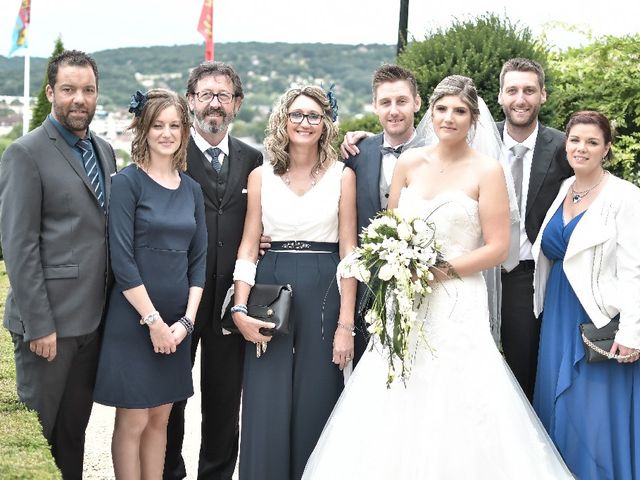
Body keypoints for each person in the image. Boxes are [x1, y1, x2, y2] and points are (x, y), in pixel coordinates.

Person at [302, 76, 573, 479]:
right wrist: (397, 259)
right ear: (430, 112)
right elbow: (391, 227)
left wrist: (436, 272)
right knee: (395, 390)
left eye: (460, 111)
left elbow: (498, 248)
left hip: (457, 300)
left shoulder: (488, 170)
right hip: (405, 299)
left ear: (473, 119)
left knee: (458, 393)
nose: (449, 117)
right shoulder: (410, 164)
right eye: (442, 109)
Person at [229, 85, 357, 480]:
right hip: (269, 290)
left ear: (326, 124)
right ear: (283, 120)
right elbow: (249, 245)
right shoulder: (261, 175)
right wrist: (238, 308)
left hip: (325, 290)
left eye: (314, 116)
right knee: (265, 397)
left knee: (317, 396)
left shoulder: (343, 175)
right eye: (297, 114)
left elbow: (349, 253)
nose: (305, 123)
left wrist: (345, 325)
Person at [0, 50, 116, 479]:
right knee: (43, 437)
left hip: (92, 324)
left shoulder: (104, 151)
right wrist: (39, 324)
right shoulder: (25, 154)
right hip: (49, 329)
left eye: (87, 90)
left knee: (73, 438)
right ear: (51, 92)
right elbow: (19, 245)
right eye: (68, 89)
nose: (79, 99)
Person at [93, 88, 206, 478]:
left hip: (178, 324)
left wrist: (186, 323)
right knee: (134, 421)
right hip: (136, 320)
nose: (166, 133)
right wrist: (153, 322)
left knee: (161, 419)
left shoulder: (192, 189)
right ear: (143, 127)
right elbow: (122, 261)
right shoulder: (127, 183)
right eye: (158, 124)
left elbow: (199, 261)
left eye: (175, 125)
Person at [163, 62, 264, 480]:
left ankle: (217, 474)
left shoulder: (253, 158)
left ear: (237, 103)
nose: (214, 104)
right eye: (205, 94)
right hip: (178, 297)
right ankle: (170, 471)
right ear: (190, 102)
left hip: (229, 302)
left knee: (224, 400)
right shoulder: (172, 153)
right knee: (171, 396)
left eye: (223, 95)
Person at [532, 110, 640, 479]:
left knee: (591, 413)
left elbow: (635, 271)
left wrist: (631, 335)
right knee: (558, 403)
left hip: (597, 320)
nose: (582, 148)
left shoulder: (625, 197)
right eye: (575, 140)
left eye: (592, 142)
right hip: (558, 313)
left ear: (606, 148)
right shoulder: (565, 188)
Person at [497, 58, 573, 400]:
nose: (520, 99)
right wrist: (360, 140)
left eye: (529, 90)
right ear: (500, 96)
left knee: (520, 371)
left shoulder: (563, 147)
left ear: (543, 95)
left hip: (526, 278)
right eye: (512, 90)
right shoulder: (476, 139)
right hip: (472, 276)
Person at [339, 64, 422, 363]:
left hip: (422, 292)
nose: (394, 110)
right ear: (374, 107)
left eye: (401, 101)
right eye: (385, 102)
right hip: (366, 295)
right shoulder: (356, 153)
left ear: (417, 102)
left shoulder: (438, 152)